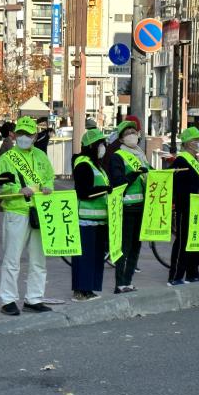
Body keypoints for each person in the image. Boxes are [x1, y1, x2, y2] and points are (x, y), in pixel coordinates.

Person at [0, 116, 55, 315]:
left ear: (35, 135)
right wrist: (18, 190)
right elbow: (0, 188)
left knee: (39, 259)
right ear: (15, 134)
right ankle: (8, 300)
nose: (24, 137)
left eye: (28, 134)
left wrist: (48, 188)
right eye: (21, 133)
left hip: (39, 212)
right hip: (16, 212)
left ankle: (34, 298)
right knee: (12, 259)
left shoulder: (41, 156)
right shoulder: (6, 158)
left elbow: (49, 178)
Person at [105, 120, 148, 294]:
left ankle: (128, 281)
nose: (132, 134)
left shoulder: (141, 155)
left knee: (136, 246)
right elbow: (118, 182)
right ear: (121, 139)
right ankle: (119, 283)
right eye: (127, 132)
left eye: (133, 131)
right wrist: (134, 173)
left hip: (141, 207)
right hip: (126, 207)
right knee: (125, 246)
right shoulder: (118, 156)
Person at [71, 129, 112, 301]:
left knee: (95, 256)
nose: (103, 147)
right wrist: (104, 190)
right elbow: (83, 192)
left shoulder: (96, 164)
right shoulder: (83, 163)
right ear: (91, 146)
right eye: (100, 144)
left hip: (99, 220)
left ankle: (89, 289)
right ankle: (81, 290)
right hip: (85, 219)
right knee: (85, 257)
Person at [168, 127, 199, 286]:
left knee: (198, 241)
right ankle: (175, 276)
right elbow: (176, 185)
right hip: (185, 207)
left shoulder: (196, 160)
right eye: (197, 140)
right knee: (183, 242)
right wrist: (195, 190)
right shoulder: (181, 160)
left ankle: (192, 272)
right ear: (188, 143)